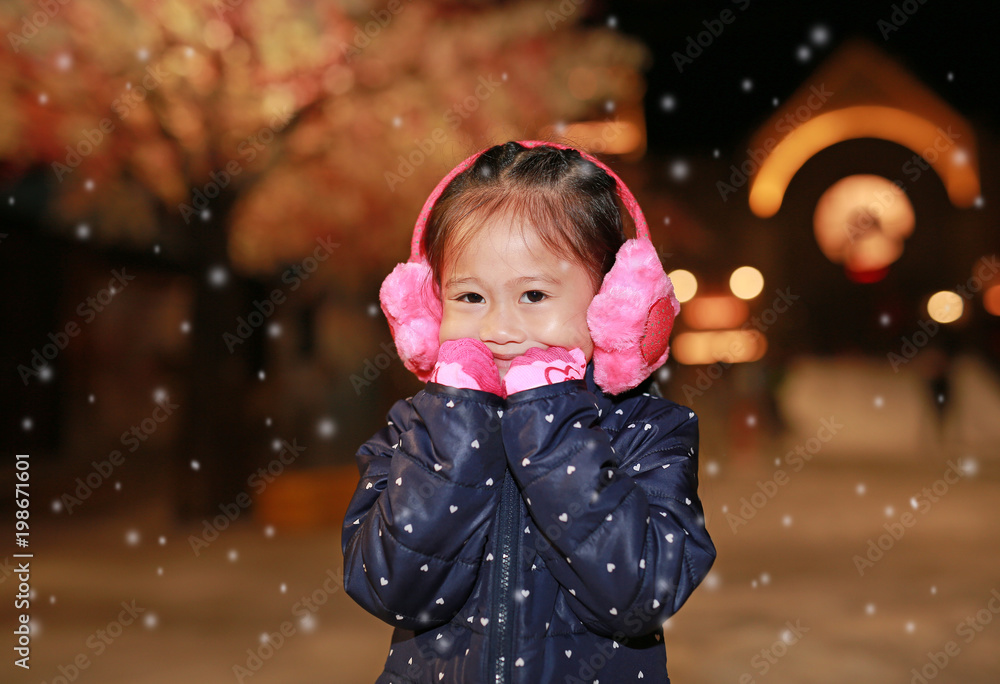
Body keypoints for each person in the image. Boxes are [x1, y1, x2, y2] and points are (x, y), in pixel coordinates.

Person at [341, 141, 716, 683]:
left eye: (534, 295)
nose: (498, 329)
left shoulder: (649, 433)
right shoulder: (415, 430)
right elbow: (392, 591)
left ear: (616, 304)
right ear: (427, 309)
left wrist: (549, 424)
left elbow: (637, 597)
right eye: (469, 297)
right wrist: (456, 428)